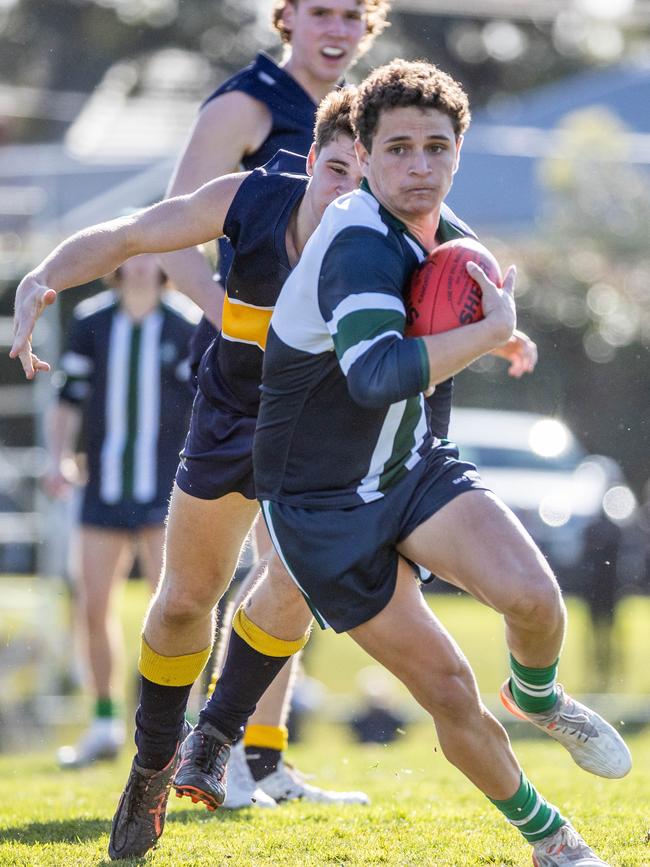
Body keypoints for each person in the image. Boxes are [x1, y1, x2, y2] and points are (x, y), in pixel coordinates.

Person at [168, 61, 631, 866]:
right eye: (400, 150)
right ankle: (550, 837)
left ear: (458, 153)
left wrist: (497, 321)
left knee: (535, 599)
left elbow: (460, 280)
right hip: (322, 506)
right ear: (369, 158)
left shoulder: (443, 230)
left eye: (437, 148)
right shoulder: (355, 242)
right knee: (449, 688)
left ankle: (537, 695)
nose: (420, 166)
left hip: (407, 466)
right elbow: (376, 375)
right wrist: (487, 335)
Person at [152, 0, 393, 810]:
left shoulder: (363, 116)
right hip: (242, 374)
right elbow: (171, 233)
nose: (337, 27)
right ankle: (200, 749)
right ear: (287, 18)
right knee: (219, 578)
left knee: (292, 566)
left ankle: (259, 757)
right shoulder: (243, 104)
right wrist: (234, 319)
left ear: (370, 27)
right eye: (319, 10)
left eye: (352, 14)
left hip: (328, 378)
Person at [43, 255, 196, 767]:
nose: (139, 264)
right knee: (91, 604)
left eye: (151, 251)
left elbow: (206, 406)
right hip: (103, 489)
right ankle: (105, 722)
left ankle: (180, 727)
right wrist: (59, 458)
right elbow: (68, 398)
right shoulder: (92, 321)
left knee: (177, 608)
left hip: (168, 491)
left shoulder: (186, 324)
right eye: (129, 253)